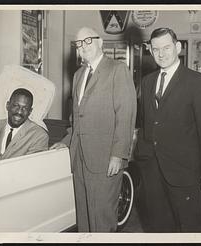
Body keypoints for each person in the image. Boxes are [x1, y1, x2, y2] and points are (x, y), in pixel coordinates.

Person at [50, 27, 137, 232]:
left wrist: (118, 154)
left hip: (105, 159)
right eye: (79, 43)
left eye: (88, 41)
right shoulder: (79, 75)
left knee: (102, 220)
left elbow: (126, 116)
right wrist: (64, 143)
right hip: (79, 159)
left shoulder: (117, 69)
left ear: (100, 42)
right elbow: (76, 121)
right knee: (84, 219)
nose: (83, 46)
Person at [134, 27, 201, 232]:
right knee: (158, 228)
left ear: (178, 47)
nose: (161, 54)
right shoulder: (147, 82)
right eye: (155, 49)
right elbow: (148, 123)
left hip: (185, 173)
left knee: (190, 228)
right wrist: (142, 158)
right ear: (150, 51)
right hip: (152, 172)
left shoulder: (197, 82)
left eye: (166, 47)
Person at [0, 88, 49, 160]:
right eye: (16, 106)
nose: (19, 112)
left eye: (25, 108)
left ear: (30, 111)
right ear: (8, 105)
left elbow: (31, 168)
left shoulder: (39, 136)